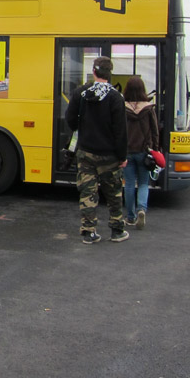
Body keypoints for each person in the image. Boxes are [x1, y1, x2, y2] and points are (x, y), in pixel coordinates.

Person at [65, 56, 129, 244]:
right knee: (113, 193)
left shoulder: (81, 93)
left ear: (93, 72)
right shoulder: (116, 97)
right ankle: (117, 231)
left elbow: (70, 119)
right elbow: (120, 131)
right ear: (110, 73)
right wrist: (122, 155)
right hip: (109, 154)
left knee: (88, 192)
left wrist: (82, 128)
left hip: (86, 152)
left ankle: (89, 232)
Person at [123, 76, 159, 230]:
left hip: (127, 151)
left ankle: (130, 217)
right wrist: (155, 149)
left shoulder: (122, 108)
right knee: (144, 183)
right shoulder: (149, 108)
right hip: (145, 152)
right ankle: (141, 210)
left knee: (129, 184)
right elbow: (155, 131)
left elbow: (118, 131)